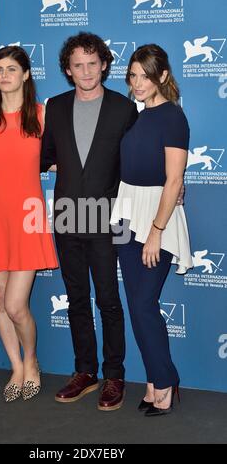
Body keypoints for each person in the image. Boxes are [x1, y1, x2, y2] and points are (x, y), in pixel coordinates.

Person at [41, 32, 138, 411]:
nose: (86, 71)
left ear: (104, 65)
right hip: (66, 215)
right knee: (77, 299)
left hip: (106, 216)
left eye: (92, 63)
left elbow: (134, 164)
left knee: (109, 301)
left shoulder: (122, 109)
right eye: (78, 65)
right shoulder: (56, 106)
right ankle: (85, 371)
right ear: (68, 69)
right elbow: (46, 155)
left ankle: (115, 376)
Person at [0, 46, 58, 402]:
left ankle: (32, 361)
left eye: (12, 69)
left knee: (17, 305)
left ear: (26, 74)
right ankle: (16, 368)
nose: (4, 75)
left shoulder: (42, 115)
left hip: (27, 218)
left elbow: (56, 160)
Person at [110, 44, 193, 416]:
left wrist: (157, 230)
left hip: (156, 217)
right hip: (126, 213)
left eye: (145, 75)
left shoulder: (173, 117)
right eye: (132, 75)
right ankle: (153, 381)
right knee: (137, 307)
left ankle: (166, 380)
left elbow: (174, 179)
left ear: (162, 76)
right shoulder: (135, 115)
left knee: (144, 305)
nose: (137, 83)